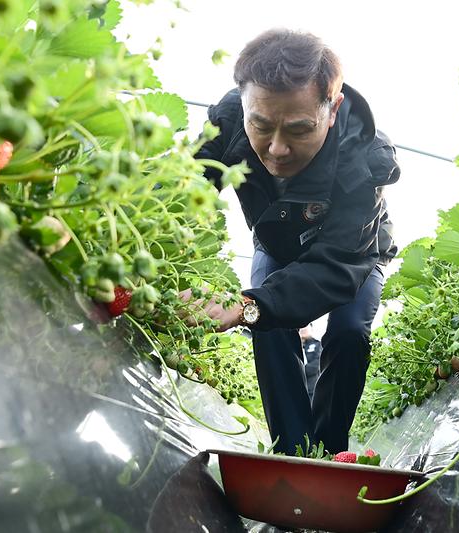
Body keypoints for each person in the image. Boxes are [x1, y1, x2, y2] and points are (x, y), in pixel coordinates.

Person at [183, 28, 399, 455]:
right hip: (277, 243)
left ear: (332, 108)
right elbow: (181, 194)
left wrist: (249, 302)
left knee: (350, 332)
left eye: (299, 130)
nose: (277, 149)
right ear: (244, 103)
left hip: (354, 253)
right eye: (260, 125)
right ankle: (294, 452)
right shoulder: (227, 119)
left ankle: (332, 449)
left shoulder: (362, 158)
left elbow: (337, 264)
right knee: (268, 322)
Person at [299, 323, 322, 403]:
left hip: (312, 389)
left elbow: (316, 365)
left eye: (305, 327)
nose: (303, 329)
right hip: (297, 388)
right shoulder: (294, 346)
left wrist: (299, 370)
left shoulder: (317, 344)